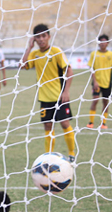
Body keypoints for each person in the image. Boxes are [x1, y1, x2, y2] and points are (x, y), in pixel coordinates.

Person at [21, 24, 75, 162]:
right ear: (35, 39)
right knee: (48, 126)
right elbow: (23, 66)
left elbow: (69, 71)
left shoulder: (56, 51)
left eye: (43, 36)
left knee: (64, 123)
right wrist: (29, 48)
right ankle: (49, 157)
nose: (41, 39)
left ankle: (72, 154)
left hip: (59, 96)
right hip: (44, 98)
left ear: (49, 37)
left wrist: (66, 91)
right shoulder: (34, 54)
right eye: (38, 37)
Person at [87, 34, 112, 129]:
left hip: (108, 83)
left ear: (108, 43)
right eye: (101, 41)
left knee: (106, 103)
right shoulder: (94, 54)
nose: (102, 43)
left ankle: (103, 123)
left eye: (104, 41)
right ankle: (91, 122)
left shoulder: (111, 55)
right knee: (95, 100)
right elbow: (91, 68)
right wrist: (95, 81)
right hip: (97, 82)